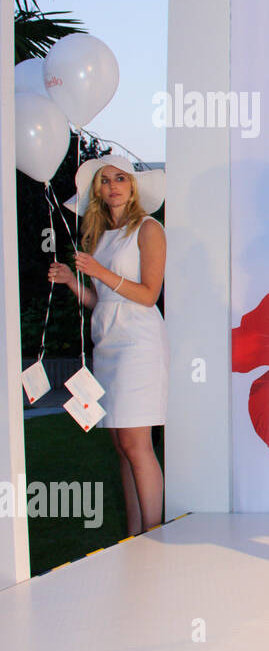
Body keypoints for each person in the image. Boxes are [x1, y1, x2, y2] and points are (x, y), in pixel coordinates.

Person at [49, 155, 167, 536]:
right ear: (97, 191)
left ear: (133, 186)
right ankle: (136, 536)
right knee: (120, 443)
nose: (113, 185)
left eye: (120, 178)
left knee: (136, 442)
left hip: (138, 343)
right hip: (107, 342)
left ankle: (154, 531)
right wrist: (72, 281)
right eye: (104, 180)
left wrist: (100, 272)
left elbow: (149, 295)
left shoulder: (148, 229)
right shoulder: (98, 236)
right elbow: (101, 302)